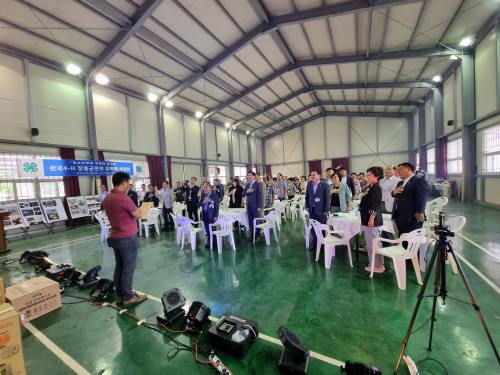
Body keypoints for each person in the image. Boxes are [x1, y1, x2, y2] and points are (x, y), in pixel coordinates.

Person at [103, 172, 146, 306]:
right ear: (123, 183)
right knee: (128, 268)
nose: (129, 184)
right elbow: (138, 214)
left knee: (120, 266)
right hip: (127, 238)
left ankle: (120, 295)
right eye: (128, 182)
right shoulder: (123, 198)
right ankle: (128, 297)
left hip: (115, 236)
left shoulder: (108, 198)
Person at [360, 166, 385, 273]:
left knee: (372, 244)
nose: (367, 176)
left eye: (370, 175)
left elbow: (375, 206)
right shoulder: (373, 187)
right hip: (369, 219)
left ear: (377, 176)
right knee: (373, 243)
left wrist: (371, 219)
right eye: (368, 174)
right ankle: (377, 264)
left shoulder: (376, 188)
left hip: (371, 220)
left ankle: (377, 266)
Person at [391, 162, 427, 237]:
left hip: (412, 217)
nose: (398, 172)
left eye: (400, 169)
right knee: (403, 238)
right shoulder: (400, 182)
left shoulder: (418, 180)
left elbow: (422, 197)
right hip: (400, 215)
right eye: (397, 170)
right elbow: (393, 194)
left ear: (408, 169)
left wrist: (420, 211)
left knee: (412, 241)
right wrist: (395, 191)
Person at [305, 170, 330, 250]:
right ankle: (315, 244)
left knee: (321, 228)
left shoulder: (324, 185)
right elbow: (307, 197)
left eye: (314, 174)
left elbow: (327, 199)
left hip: (321, 211)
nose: (312, 176)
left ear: (319, 176)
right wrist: (307, 206)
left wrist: (326, 210)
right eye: (311, 175)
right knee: (313, 228)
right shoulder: (309, 185)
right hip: (312, 211)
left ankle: (322, 245)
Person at [243, 172, 263, 242]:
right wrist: (247, 191)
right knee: (250, 221)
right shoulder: (247, 184)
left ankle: (257, 235)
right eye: (247, 175)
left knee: (257, 221)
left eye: (250, 175)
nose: (248, 176)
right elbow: (243, 194)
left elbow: (261, 195)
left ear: (254, 176)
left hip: (256, 206)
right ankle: (252, 235)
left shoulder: (258, 184)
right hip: (248, 206)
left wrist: (260, 206)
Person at [200, 183, 219, 249]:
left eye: (207, 187)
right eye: (204, 187)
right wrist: (204, 202)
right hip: (205, 214)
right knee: (207, 229)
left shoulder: (214, 195)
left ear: (210, 188)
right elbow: (199, 204)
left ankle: (214, 244)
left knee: (212, 229)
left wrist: (216, 216)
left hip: (212, 215)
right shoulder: (203, 195)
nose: (205, 189)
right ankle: (209, 242)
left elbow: (217, 206)